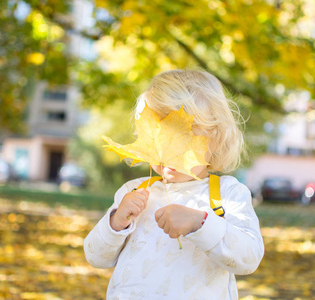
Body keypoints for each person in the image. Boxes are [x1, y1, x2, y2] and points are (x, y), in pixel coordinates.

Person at [84, 69, 264, 299]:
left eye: (186, 139)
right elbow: (96, 257)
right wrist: (116, 221)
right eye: (159, 136)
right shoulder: (134, 191)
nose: (170, 150)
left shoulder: (227, 194)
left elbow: (248, 260)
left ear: (216, 139)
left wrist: (201, 223)